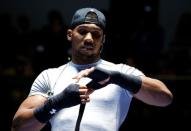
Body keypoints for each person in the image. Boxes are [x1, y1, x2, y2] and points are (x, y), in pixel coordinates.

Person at [11, 7, 173, 131]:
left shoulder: (121, 71)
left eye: (96, 34)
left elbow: (165, 98)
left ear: (103, 39)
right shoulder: (50, 76)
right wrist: (57, 103)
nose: (89, 38)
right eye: (82, 32)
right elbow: (19, 127)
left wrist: (117, 78)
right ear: (70, 34)